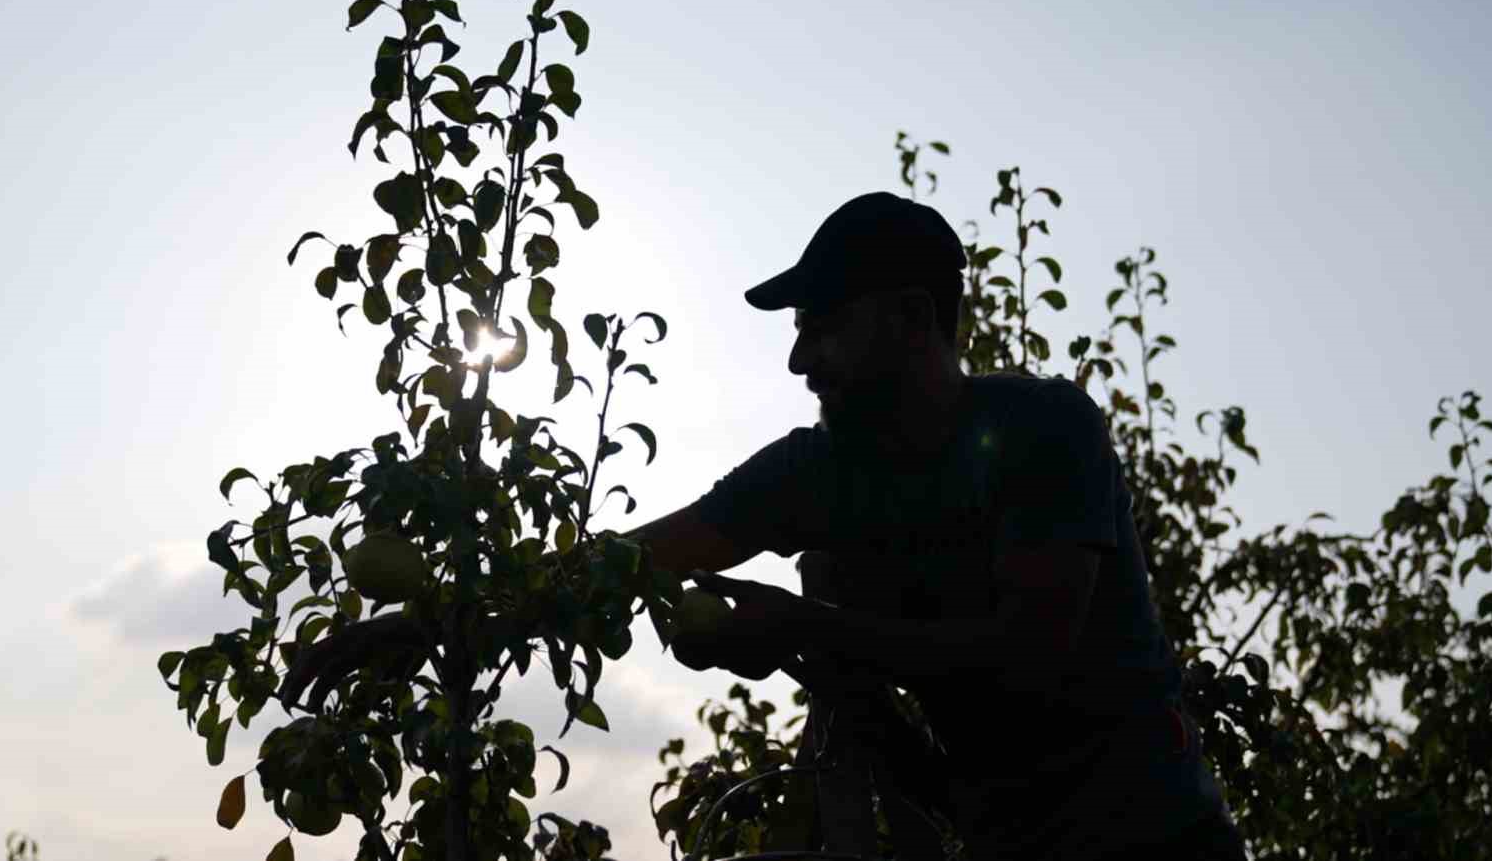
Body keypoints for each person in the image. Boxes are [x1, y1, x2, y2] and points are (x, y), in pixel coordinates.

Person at [281, 192, 1247, 860]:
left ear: (914, 320)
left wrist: (801, 632)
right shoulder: (810, 474)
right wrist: (440, 623)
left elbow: (1029, 654)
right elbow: (619, 567)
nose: (797, 357)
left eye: (823, 323)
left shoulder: (1042, 430)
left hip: (1153, 843)